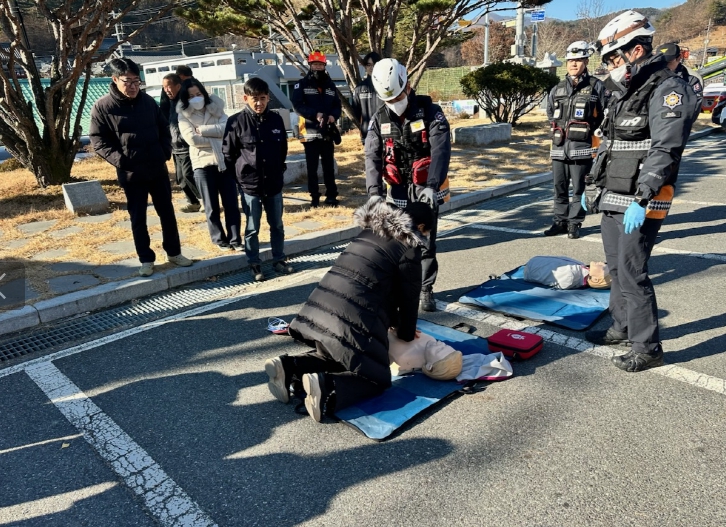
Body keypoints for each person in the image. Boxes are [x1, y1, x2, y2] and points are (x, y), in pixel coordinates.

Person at [582, 10, 696, 372]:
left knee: (633, 272)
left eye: (613, 58)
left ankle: (647, 347)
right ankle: (622, 326)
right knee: (616, 268)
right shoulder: (625, 90)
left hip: (643, 199)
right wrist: (591, 184)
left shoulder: (668, 88)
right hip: (613, 193)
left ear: (636, 50)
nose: (610, 67)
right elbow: (608, 142)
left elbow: (666, 148)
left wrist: (643, 197)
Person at [264, 198, 434, 422]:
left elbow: (376, 278)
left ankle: (289, 366)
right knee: (376, 377)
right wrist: (406, 333)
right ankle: (326, 387)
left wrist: (394, 321)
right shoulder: (409, 249)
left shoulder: (372, 231)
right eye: (427, 232)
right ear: (420, 227)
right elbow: (409, 299)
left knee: (339, 353)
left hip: (321, 304)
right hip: (355, 313)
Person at [90, 58, 193, 277]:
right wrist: (122, 161)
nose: (133, 86)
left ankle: (174, 252)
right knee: (138, 218)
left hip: (157, 167)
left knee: (167, 213)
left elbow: (164, 128)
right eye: (128, 81)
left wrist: (164, 152)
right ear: (115, 79)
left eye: (137, 81)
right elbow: (98, 141)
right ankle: (146, 259)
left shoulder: (147, 101)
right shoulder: (103, 106)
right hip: (131, 173)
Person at [365, 58, 451, 313]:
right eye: (389, 99)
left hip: (425, 187)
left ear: (408, 86)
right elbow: (372, 156)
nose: (394, 102)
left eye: (398, 96)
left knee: (425, 241)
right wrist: (374, 194)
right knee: (397, 243)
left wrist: (433, 185)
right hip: (398, 188)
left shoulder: (430, 111)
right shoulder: (378, 118)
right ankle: (400, 289)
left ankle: (425, 289)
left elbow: (441, 150)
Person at [222, 77, 294, 282]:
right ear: (246, 98)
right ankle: (254, 263)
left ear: (268, 97)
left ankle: (279, 259)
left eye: (262, 98)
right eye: (254, 99)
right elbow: (228, 154)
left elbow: (282, 149)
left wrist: (278, 169)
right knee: (252, 228)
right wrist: (239, 178)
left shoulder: (276, 119)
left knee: (277, 225)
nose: (259, 103)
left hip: (273, 183)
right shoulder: (235, 121)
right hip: (249, 185)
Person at [544, 41, 607, 240]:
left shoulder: (596, 86)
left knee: (579, 188)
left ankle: (574, 223)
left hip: (582, 147)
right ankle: (560, 221)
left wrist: (593, 132)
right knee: (559, 187)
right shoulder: (557, 88)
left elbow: (604, 114)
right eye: (570, 60)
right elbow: (550, 113)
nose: (573, 64)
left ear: (586, 61)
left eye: (578, 60)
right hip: (559, 147)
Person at [177, 79, 242, 251]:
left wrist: (203, 130)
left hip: (224, 161)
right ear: (186, 98)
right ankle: (219, 240)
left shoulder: (216, 107)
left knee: (231, 204)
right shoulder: (183, 115)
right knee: (211, 206)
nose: (196, 98)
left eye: (198, 94)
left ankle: (235, 239)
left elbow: (228, 129)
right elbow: (192, 139)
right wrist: (216, 135)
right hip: (202, 164)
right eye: (191, 96)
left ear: (204, 93)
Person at [291, 50, 342, 207]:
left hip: (327, 132)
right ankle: (314, 197)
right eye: (315, 64)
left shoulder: (330, 85)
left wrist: (333, 116)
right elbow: (297, 105)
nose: (318, 67)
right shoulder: (302, 84)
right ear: (310, 65)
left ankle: (331, 195)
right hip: (310, 133)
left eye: (320, 64)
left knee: (328, 167)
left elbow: (337, 105)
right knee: (312, 168)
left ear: (324, 65)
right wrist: (315, 114)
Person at [162, 73, 202, 213]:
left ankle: (205, 200)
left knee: (188, 175)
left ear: (178, 86)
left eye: (168, 86)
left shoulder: (185, 102)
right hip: (175, 147)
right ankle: (193, 203)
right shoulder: (171, 103)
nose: (166, 90)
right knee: (180, 179)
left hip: (186, 146)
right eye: (164, 87)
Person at [660, 42, 703, 121]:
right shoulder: (650, 78)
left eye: (668, 62)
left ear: (679, 58)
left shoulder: (691, 81)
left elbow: (695, 108)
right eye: (660, 62)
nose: (664, 65)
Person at [352, 52, 383, 145]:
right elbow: (356, 113)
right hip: (368, 135)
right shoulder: (359, 88)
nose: (371, 68)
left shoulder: (386, 86)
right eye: (368, 65)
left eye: (374, 64)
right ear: (365, 67)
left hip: (386, 133)